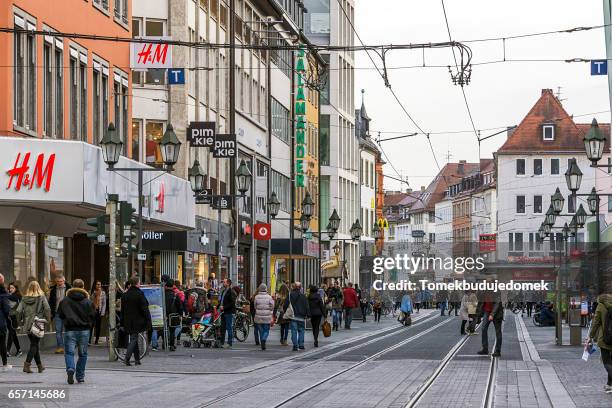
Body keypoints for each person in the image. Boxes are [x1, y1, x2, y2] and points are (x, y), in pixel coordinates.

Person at [58, 279, 96, 384]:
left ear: (72, 287)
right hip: (84, 331)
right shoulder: (88, 302)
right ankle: (80, 376)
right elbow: (93, 316)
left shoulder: (65, 301)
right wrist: (89, 324)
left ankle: (70, 368)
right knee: (83, 354)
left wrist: (67, 321)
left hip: (70, 330)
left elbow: (60, 314)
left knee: (69, 353)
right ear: (83, 287)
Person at [17, 281, 51, 374]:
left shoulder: (24, 298)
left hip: (27, 324)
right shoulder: (41, 297)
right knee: (34, 345)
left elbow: (19, 311)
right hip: (38, 323)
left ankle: (40, 366)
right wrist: (48, 320)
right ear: (38, 287)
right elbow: (47, 309)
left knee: (34, 344)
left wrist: (19, 322)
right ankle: (26, 364)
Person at [121, 277, 151, 366]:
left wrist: (122, 322)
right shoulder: (139, 294)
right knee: (134, 338)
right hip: (137, 321)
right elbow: (144, 308)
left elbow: (122, 310)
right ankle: (127, 358)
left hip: (127, 321)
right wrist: (148, 318)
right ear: (137, 283)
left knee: (135, 338)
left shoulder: (125, 295)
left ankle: (137, 359)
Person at [587, 292, 612, 393]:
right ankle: (609, 385)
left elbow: (596, 322)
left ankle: (609, 384)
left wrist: (590, 336)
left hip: (605, 339)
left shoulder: (601, 306)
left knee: (607, 362)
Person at [477, 286, 504, 357]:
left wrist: (492, 314)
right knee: (483, 329)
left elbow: (497, 303)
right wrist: (478, 315)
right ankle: (485, 349)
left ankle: (497, 351)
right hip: (487, 311)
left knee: (498, 332)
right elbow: (480, 303)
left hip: (497, 313)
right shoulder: (483, 290)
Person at [49, 275, 71, 354]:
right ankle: (60, 347)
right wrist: (52, 313)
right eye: (58, 282)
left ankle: (68, 347)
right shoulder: (53, 290)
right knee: (58, 331)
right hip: (57, 312)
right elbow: (51, 302)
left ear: (64, 281)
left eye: (61, 281)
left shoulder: (70, 289)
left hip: (67, 313)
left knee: (67, 331)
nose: (59, 283)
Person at [284, 282, 309, 351]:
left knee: (294, 331)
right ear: (300, 288)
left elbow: (285, 305)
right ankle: (301, 345)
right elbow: (307, 306)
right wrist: (308, 314)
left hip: (293, 316)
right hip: (301, 316)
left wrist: (285, 311)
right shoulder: (303, 296)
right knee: (301, 330)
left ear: (294, 287)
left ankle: (295, 345)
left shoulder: (290, 295)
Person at [253, 284, 274, 350]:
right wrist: (270, 310)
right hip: (267, 316)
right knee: (266, 330)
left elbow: (255, 306)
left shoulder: (256, 297)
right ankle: (263, 340)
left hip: (258, 316)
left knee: (261, 330)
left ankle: (262, 341)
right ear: (265, 289)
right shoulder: (269, 297)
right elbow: (272, 306)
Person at [164, 279, 182, 351]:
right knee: (172, 331)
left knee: (163, 330)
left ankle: (164, 344)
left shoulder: (162, 294)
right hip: (173, 315)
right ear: (173, 286)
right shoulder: (175, 295)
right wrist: (180, 315)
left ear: (165, 286)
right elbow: (179, 306)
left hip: (164, 315)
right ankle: (171, 345)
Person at [220, 279, 236, 349]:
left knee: (229, 327)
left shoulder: (231, 292)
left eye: (224, 282)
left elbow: (232, 303)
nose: (223, 283)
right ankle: (221, 342)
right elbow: (222, 301)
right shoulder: (224, 291)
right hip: (223, 312)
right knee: (222, 327)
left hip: (229, 312)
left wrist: (224, 307)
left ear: (228, 283)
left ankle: (229, 343)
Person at [6, 282, 22, 357]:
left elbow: (11, 306)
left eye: (12, 288)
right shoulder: (9, 296)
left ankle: (7, 351)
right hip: (9, 317)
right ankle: (19, 350)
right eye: (10, 288)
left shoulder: (17, 296)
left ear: (16, 289)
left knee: (11, 333)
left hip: (15, 317)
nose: (11, 289)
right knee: (13, 334)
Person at [89, 281, 106, 345]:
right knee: (91, 325)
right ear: (95, 285)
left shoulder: (103, 293)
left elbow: (104, 303)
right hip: (93, 310)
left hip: (99, 310)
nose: (99, 286)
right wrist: (94, 294)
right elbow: (90, 301)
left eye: (100, 284)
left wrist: (103, 312)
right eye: (97, 284)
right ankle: (89, 340)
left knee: (98, 326)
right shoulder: (92, 292)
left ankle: (97, 340)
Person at [0, 276, 11, 371]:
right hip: (0, 323)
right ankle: (4, 365)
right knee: (2, 343)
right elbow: (7, 310)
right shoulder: (3, 294)